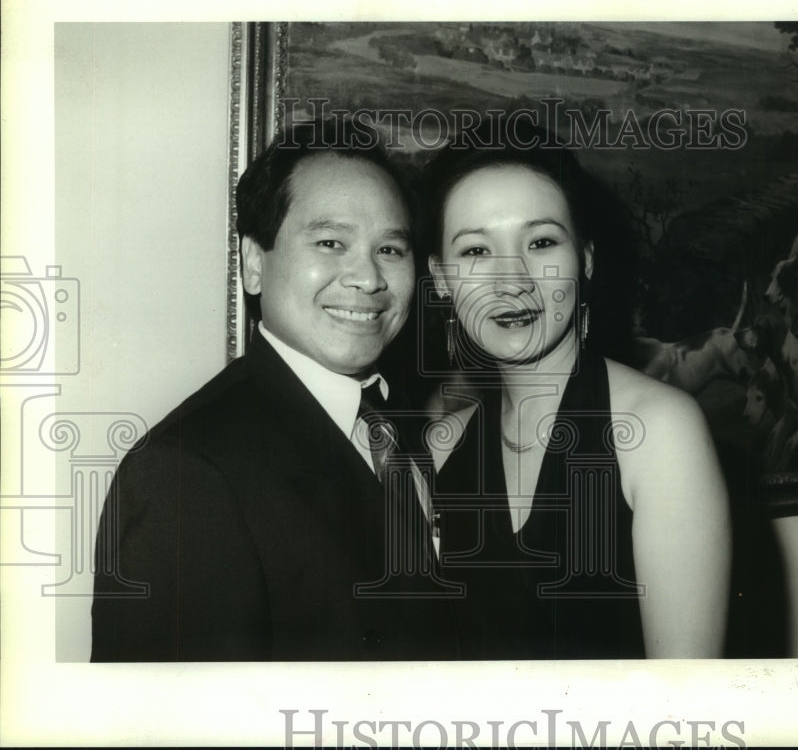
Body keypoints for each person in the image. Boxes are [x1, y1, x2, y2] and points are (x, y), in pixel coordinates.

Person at [91, 118, 459, 661]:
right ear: (254, 264)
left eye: (391, 250)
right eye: (331, 242)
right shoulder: (184, 472)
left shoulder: (396, 421)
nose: (369, 278)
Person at [422, 119, 731, 659]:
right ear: (442, 278)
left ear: (585, 258)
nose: (512, 281)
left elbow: (685, 707)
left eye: (541, 242)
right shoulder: (440, 446)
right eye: (475, 251)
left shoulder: (659, 434)